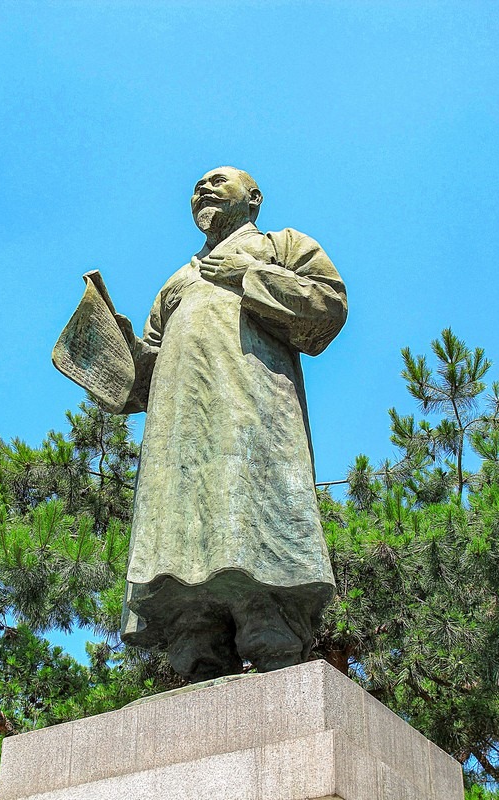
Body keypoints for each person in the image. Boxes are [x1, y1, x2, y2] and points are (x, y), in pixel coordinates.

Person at [118, 166, 347, 682]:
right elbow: (145, 378)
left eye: (218, 180)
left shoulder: (280, 245)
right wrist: (118, 360)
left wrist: (248, 277)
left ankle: (276, 646)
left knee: (257, 530)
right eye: (197, 184)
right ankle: (198, 655)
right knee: (178, 553)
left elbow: (328, 310)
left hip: (254, 415)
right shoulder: (177, 281)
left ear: (254, 197)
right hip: (179, 438)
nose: (202, 188)